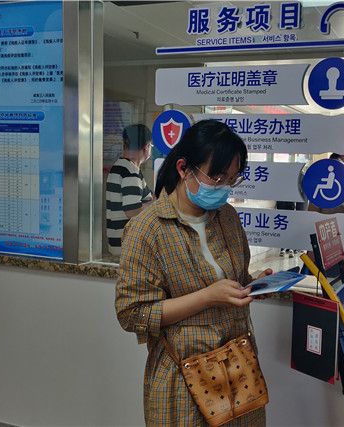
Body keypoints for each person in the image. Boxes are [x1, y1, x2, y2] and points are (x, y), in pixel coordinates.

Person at [115, 120, 272, 425]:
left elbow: (233, 280)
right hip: (183, 379)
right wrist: (207, 297)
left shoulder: (227, 218)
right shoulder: (147, 229)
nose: (223, 187)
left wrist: (254, 285)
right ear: (184, 168)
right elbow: (132, 313)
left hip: (239, 370)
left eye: (231, 179)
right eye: (217, 177)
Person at [308, 153, 344, 279]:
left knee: (341, 264)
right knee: (343, 264)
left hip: (334, 230)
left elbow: (312, 211)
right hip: (333, 230)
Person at [105, 124, 155, 256]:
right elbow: (132, 211)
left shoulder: (120, 166)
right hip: (127, 247)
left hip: (120, 245)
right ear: (146, 147)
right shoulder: (130, 172)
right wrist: (156, 203)